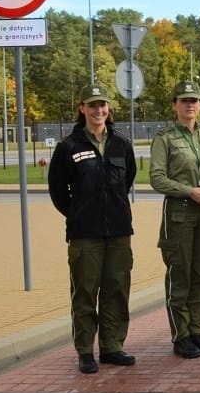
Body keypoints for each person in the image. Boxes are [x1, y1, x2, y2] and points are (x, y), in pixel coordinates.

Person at [47, 83, 138, 375]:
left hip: (119, 231)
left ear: (107, 109)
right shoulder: (69, 146)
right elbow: (58, 190)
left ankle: (112, 346)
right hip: (85, 234)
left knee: (116, 290)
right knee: (85, 292)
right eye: (92, 105)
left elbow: (127, 180)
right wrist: (78, 213)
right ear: (82, 109)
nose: (98, 110)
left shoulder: (121, 144)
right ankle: (85, 351)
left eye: (102, 105)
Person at [150, 80, 200, 359]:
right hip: (180, 212)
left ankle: (197, 330)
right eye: (184, 100)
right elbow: (156, 177)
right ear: (175, 105)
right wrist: (189, 191)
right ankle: (181, 336)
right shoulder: (165, 138)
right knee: (180, 275)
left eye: (194, 100)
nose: (190, 105)